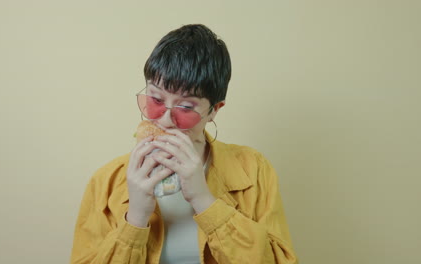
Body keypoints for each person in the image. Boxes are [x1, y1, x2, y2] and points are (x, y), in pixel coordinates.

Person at [70, 24, 298, 264]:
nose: (166, 120)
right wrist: (136, 215)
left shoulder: (254, 170)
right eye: (156, 99)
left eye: (186, 107)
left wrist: (204, 200)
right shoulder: (106, 182)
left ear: (214, 110)